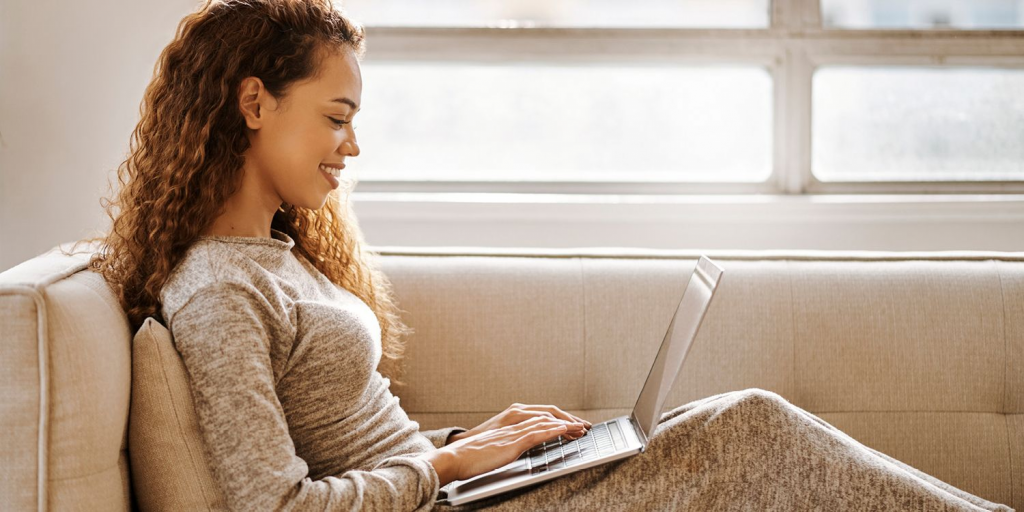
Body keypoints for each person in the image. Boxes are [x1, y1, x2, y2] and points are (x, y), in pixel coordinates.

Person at [71, 1, 1014, 510]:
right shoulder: (218, 290)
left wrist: (477, 449)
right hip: (448, 506)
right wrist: (451, 468)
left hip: (465, 492)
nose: (351, 147)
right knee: (748, 429)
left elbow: (361, 442)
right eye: (337, 117)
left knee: (732, 421)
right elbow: (276, 509)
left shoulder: (274, 255)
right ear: (251, 104)